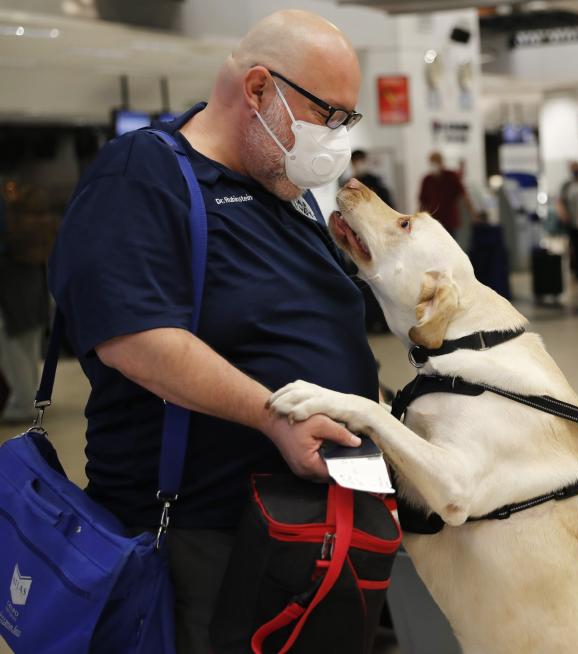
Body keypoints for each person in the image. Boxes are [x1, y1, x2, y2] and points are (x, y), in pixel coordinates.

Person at [47, 11, 375, 652]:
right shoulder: (144, 174)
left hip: (306, 526)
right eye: (326, 116)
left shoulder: (288, 193)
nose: (335, 139)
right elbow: (134, 336)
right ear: (258, 89)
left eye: (346, 123)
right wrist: (273, 415)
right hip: (200, 541)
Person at [0, 180, 49, 424]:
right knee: (28, 351)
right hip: (34, 293)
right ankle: (30, 399)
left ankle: (22, 404)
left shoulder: (15, 230)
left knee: (13, 351)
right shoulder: (44, 226)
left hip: (14, 293)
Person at [418, 151, 476, 236]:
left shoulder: (451, 176)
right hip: (433, 222)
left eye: (435, 162)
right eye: (432, 163)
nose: (434, 166)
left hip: (450, 221)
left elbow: (464, 195)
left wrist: (473, 214)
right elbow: (422, 202)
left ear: (441, 162)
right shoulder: (427, 180)